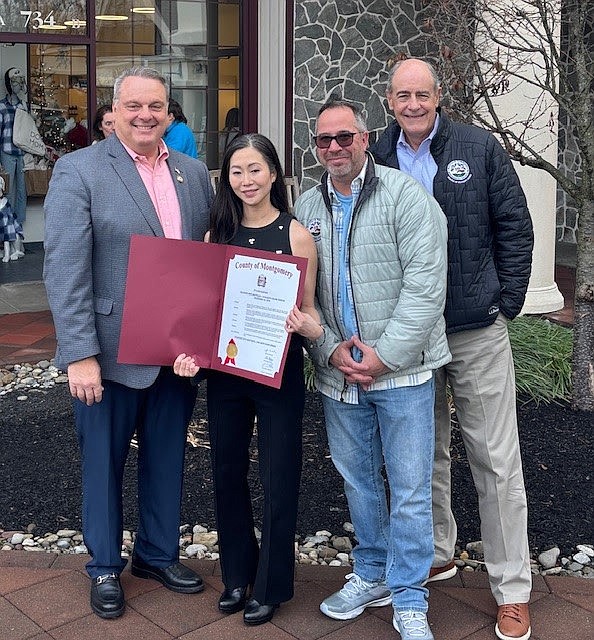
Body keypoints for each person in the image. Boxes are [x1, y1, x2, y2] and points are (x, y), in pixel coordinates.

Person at [370, 58, 534, 640]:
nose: (413, 104)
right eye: (402, 95)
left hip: (472, 328)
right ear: (388, 100)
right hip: (409, 336)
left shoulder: (478, 147)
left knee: (494, 458)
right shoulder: (375, 155)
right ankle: (437, 550)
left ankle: (512, 588)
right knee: (422, 454)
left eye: (423, 94)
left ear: (439, 96)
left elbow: (514, 224)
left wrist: (506, 299)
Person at [43, 67, 213, 620]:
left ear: (170, 113)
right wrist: (81, 354)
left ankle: (157, 554)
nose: (146, 115)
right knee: (104, 463)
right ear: (113, 113)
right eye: (134, 105)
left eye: (156, 106)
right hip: (109, 352)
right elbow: (65, 270)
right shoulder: (80, 170)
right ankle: (104, 569)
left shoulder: (192, 173)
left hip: (174, 352)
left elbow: (199, 263)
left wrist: (201, 338)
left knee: (167, 456)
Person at [295, 98, 450, 640]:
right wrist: (330, 350)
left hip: (402, 373)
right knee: (359, 482)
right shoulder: (307, 206)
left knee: (409, 489)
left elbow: (427, 286)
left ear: (365, 138)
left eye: (344, 137)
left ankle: (409, 596)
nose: (334, 148)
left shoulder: (407, 197)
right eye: (323, 140)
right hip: (340, 375)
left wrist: (385, 356)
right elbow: (303, 293)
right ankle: (372, 572)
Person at [173, 133, 321, 626]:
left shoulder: (296, 235)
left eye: (256, 169)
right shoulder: (217, 238)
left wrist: (307, 326)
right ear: (226, 179)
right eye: (237, 171)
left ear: (274, 174)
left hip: (278, 371)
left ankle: (272, 583)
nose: (247, 180)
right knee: (227, 473)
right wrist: (189, 354)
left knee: (279, 475)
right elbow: (207, 314)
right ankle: (238, 573)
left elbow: (313, 313)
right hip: (229, 372)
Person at [0, 67, 27, 249]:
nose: (18, 85)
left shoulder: (24, 105)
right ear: (9, 84)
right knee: (8, 192)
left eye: (20, 81)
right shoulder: (2, 106)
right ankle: (7, 235)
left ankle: (19, 234)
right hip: (7, 151)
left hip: (22, 152)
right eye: (15, 82)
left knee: (22, 192)